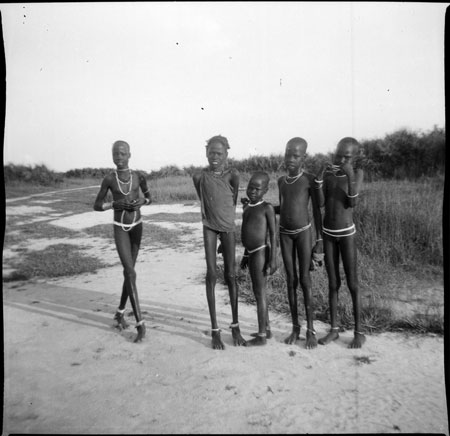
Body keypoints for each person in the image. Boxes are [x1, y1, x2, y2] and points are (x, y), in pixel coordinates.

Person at [93, 140, 152, 343]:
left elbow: (150, 198)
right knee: (130, 272)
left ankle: (119, 312)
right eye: (115, 154)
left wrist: (142, 201)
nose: (119, 158)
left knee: (130, 274)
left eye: (122, 154)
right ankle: (140, 325)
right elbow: (97, 205)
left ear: (129, 154)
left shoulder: (138, 176)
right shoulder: (109, 179)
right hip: (120, 228)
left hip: (137, 227)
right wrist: (114, 204)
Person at [193, 135, 247, 350]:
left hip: (227, 228)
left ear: (226, 154)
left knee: (231, 275)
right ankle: (215, 330)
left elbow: (231, 202)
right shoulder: (199, 177)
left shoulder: (233, 175)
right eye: (211, 153)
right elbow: (204, 199)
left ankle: (235, 327)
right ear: (206, 153)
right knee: (212, 274)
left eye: (219, 153)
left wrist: (225, 228)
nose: (215, 157)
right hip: (209, 227)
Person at [315, 137, 366, 348]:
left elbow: (352, 201)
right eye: (339, 155)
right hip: (328, 233)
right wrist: (319, 177)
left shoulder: (357, 173)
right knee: (333, 283)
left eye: (347, 156)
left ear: (355, 158)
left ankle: (359, 332)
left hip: (346, 234)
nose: (342, 159)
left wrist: (350, 174)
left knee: (353, 284)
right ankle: (334, 330)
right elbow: (320, 203)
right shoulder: (328, 175)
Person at [275, 137, 323, 349]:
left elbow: (318, 211)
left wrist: (319, 240)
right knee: (290, 280)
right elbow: (283, 208)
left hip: (304, 233)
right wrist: (261, 207)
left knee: (304, 280)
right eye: (288, 154)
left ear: (304, 157)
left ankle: (310, 330)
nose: (290, 159)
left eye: (295, 155)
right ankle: (295, 327)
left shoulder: (309, 180)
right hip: (285, 234)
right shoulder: (281, 182)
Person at [240, 172, 277, 346]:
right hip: (252, 252)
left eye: (257, 188)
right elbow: (246, 232)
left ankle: (261, 336)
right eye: (250, 187)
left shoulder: (267, 208)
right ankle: (266, 329)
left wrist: (274, 260)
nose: (252, 191)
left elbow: (273, 234)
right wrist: (245, 256)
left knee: (259, 292)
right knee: (258, 291)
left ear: (266, 190)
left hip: (261, 252)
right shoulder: (247, 208)